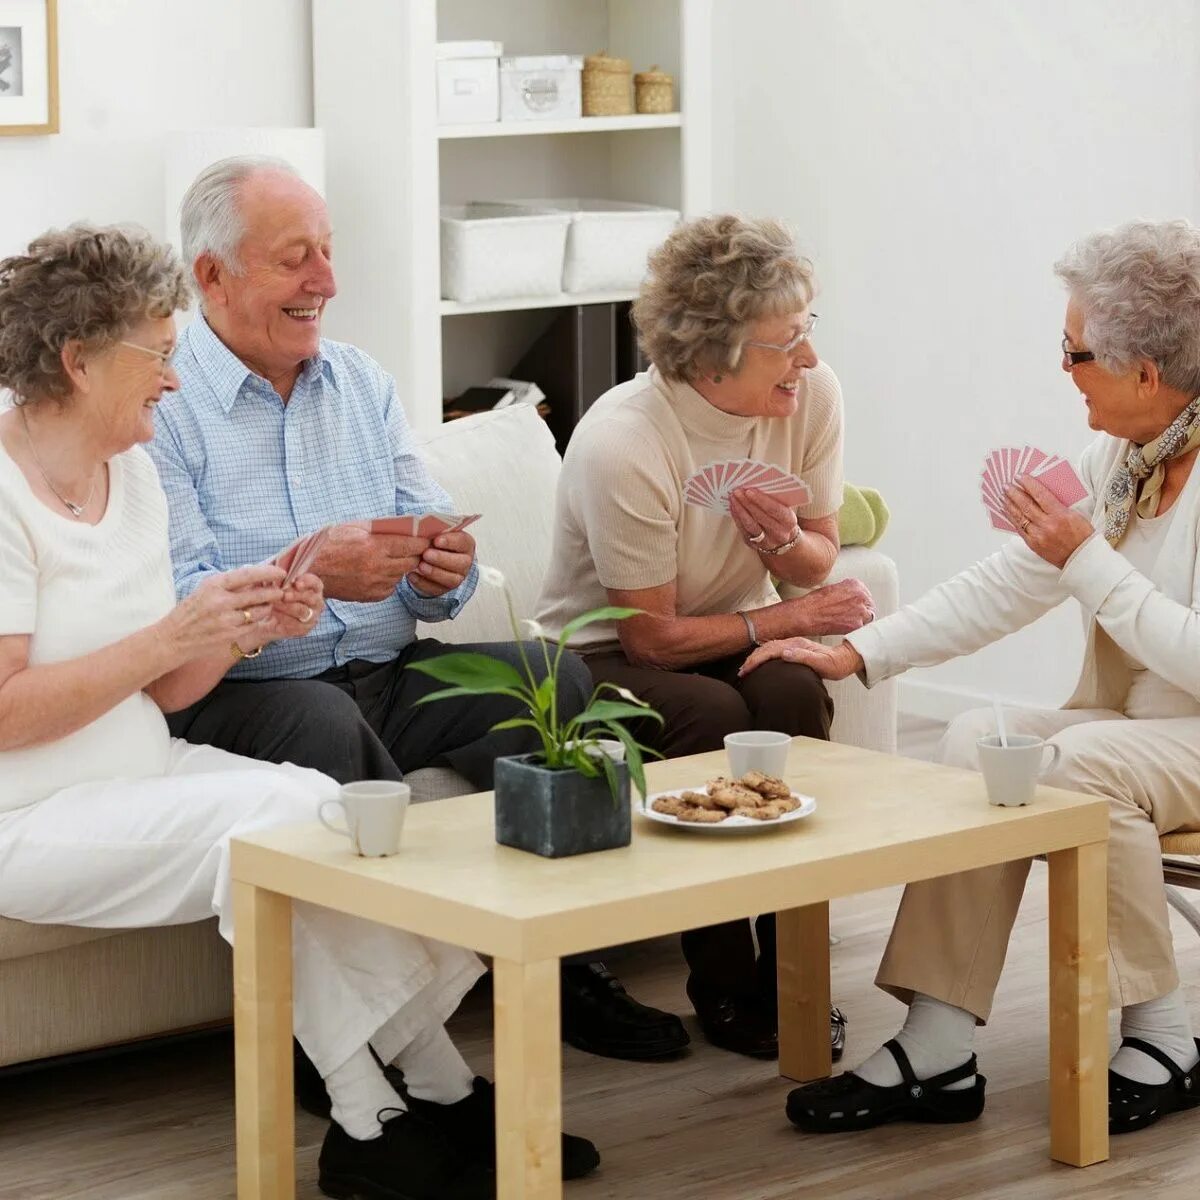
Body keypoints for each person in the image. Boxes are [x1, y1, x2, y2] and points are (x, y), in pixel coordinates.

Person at [0, 223, 599, 1199]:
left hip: (143, 770)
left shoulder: (134, 473)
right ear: (78, 360)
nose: (173, 378)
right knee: (268, 822)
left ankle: (428, 1098)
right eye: (157, 354)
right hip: (28, 813)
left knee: (327, 815)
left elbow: (165, 691)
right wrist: (170, 637)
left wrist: (239, 628)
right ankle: (377, 1117)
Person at [148, 155, 686, 1069]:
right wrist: (316, 569)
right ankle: (376, 1041)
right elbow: (178, 598)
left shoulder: (359, 383)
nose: (326, 281)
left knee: (554, 679)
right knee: (323, 721)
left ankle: (568, 967)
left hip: (385, 674)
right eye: (295, 259)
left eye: (328, 251)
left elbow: (431, 557)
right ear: (212, 275)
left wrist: (442, 569)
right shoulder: (164, 403)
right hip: (246, 689)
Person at [747, 219, 1200, 1136]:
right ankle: (940, 1042)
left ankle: (1165, 1031)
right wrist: (859, 653)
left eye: (1074, 354)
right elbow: (1008, 584)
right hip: (1137, 726)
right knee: (971, 744)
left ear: (1145, 373)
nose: (1063, 370)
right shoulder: (1121, 464)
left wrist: (1089, 562)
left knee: (1077, 766)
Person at [536, 214, 874, 1058]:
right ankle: (722, 981)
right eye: (784, 342)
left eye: (807, 331)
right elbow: (648, 639)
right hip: (601, 655)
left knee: (791, 689)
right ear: (714, 352)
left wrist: (784, 548)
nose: (805, 358)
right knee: (711, 712)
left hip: (728, 624)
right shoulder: (627, 439)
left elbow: (815, 562)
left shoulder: (812, 395)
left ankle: (789, 978)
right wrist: (789, 616)